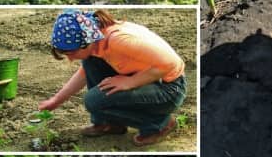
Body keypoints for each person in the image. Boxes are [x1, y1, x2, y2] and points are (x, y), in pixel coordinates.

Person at [39, 9, 187, 146]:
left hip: (170, 90)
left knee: (93, 100)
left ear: (86, 42)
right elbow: (85, 73)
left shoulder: (118, 41)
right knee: (90, 62)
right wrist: (56, 101)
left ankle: (160, 124)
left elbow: (171, 63)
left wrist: (130, 82)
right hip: (150, 77)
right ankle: (109, 124)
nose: (70, 59)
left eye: (71, 53)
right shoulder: (96, 38)